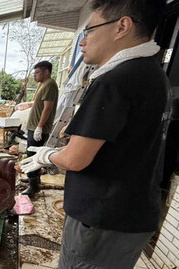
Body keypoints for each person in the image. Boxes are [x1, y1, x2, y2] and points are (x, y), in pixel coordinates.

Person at [20, 0, 168, 268]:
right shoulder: (151, 73)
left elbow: (76, 159)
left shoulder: (114, 80)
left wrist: (48, 155)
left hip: (101, 219)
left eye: (89, 31)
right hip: (128, 214)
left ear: (122, 26)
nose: (82, 42)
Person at [21, 60, 59, 196]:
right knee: (32, 155)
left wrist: (39, 127)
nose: (35, 75)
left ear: (46, 72)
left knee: (33, 156)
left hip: (39, 129)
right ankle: (33, 179)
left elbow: (47, 108)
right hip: (34, 127)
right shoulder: (44, 85)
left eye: (37, 72)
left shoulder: (50, 85)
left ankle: (34, 187)